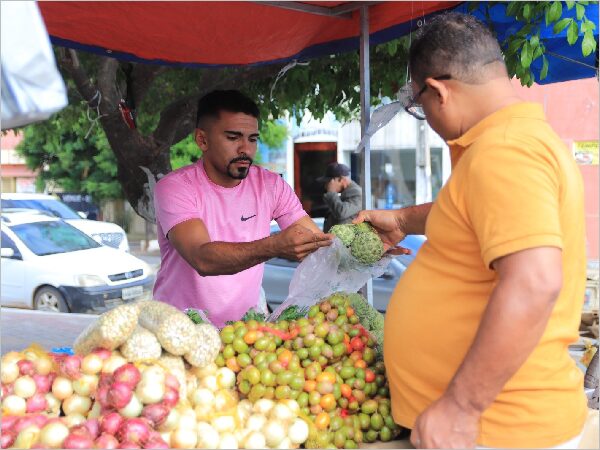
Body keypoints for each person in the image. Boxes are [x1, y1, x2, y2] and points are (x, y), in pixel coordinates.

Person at [355, 12, 588, 449]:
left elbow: (535, 282)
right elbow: (468, 213)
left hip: (495, 430)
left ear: (438, 92)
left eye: (419, 106)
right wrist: (403, 220)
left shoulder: (504, 152)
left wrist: (462, 407)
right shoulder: (513, 142)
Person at [153, 90, 332, 326]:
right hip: (178, 330)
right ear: (202, 140)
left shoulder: (270, 185)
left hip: (245, 333)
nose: (245, 149)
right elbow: (202, 258)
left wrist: (363, 244)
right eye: (233, 137)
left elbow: (317, 242)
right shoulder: (174, 187)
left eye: (252, 139)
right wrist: (275, 245)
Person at [317, 162, 362, 232]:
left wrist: (331, 192)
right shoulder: (346, 193)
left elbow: (342, 212)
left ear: (340, 179)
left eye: (328, 182)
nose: (326, 186)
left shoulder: (356, 192)